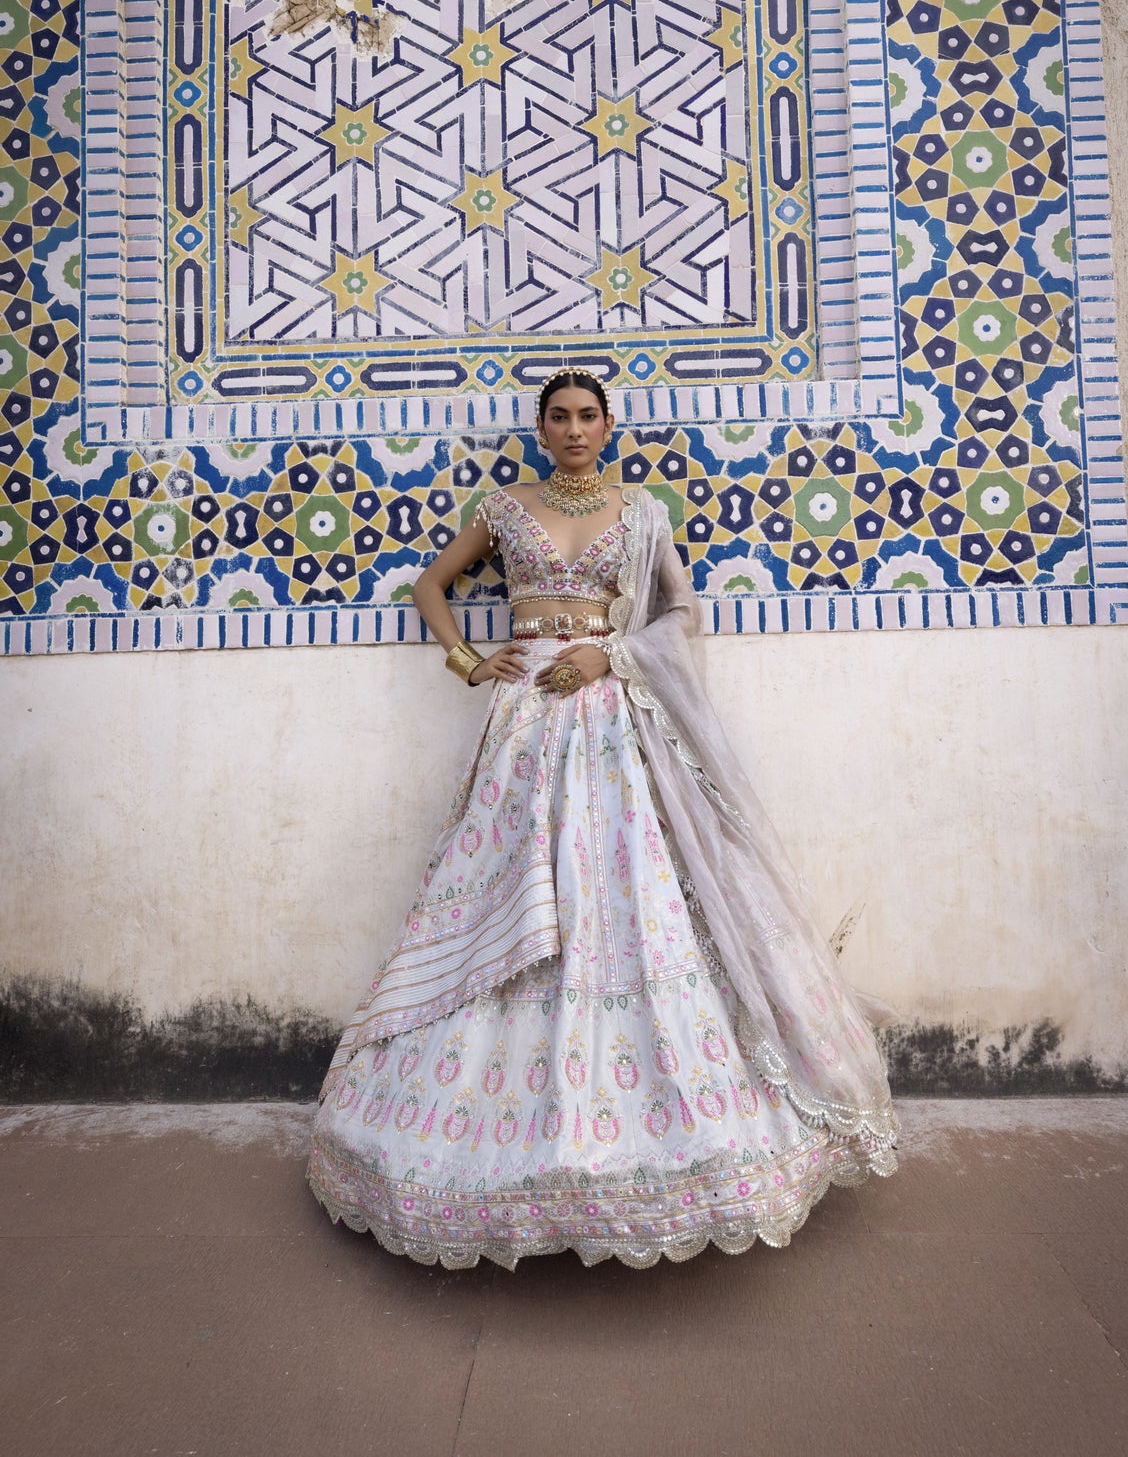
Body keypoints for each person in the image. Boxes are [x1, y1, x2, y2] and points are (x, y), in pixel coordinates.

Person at [307, 368, 898, 1269]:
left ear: (609, 423)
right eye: (559, 417)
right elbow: (431, 585)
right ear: (541, 428)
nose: (575, 429)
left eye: (588, 415)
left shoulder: (643, 510)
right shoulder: (503, 508)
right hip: (525, 727)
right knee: (500, 895)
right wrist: (469, 661)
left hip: (615, 718)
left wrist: (607, 654)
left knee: (633, 895)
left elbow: (682, 613)